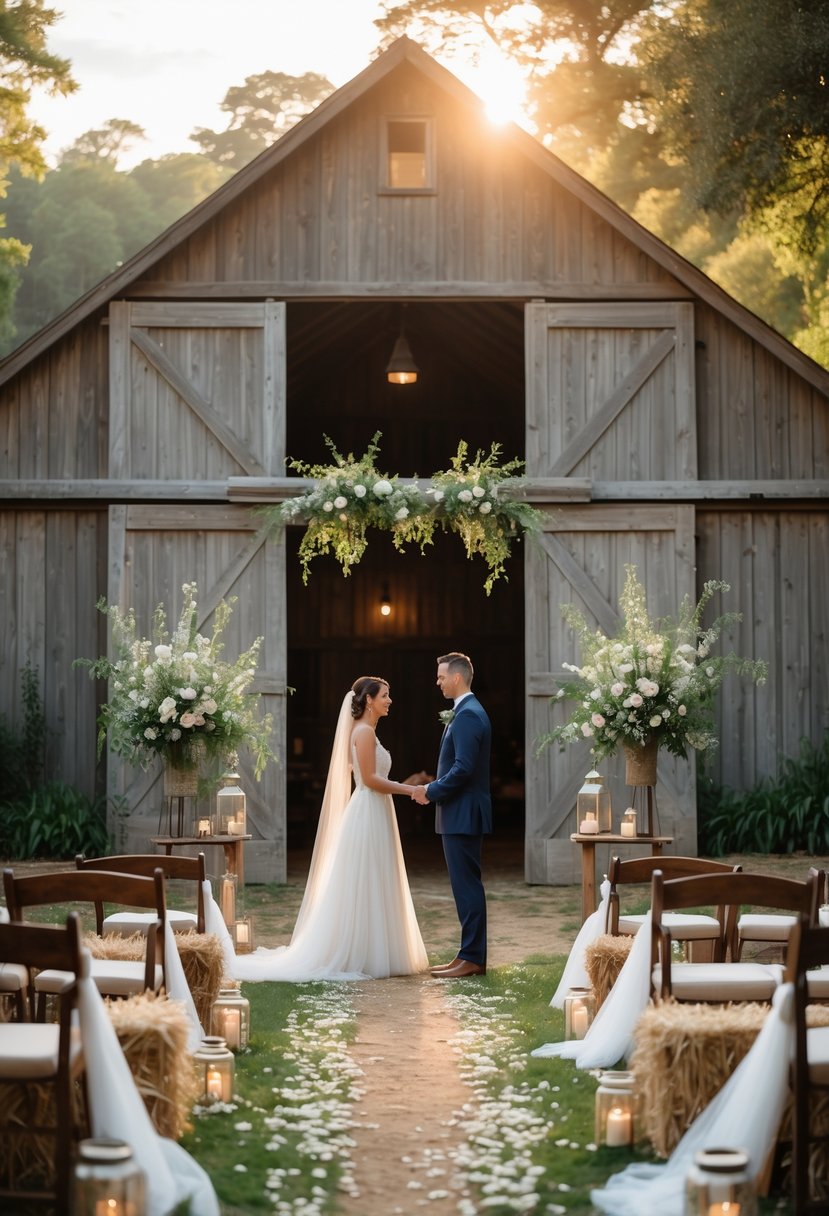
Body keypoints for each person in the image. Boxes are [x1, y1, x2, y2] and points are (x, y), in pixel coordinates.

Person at [232, 676, 429, 981]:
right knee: (364, 878)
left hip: (376, 809)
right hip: (367, 811)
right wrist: (410, 792)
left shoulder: (368, 733)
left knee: (375, 877)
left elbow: (372, 778)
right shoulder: (363, 732)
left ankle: (375, 948)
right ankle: (360, 950)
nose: (390, 701)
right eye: (385, 696)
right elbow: (370, 780)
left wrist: (408, 784)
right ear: (368, 700)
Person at [412, 652, 492, 978]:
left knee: (467, 886)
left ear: (457, 678)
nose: (438, 681)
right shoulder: (465, 712)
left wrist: (431, 791)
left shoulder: (469, 715)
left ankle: (472, 958)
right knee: (463, 886)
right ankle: (466, 954)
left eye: (441, 676)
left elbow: (463, 769)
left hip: (463, 813)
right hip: (459, 813)